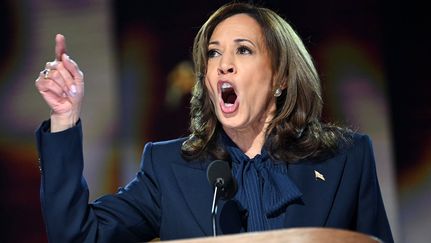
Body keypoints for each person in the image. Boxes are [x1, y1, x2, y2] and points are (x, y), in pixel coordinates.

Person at [34, 2, 394, 243]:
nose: (224, 63)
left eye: (243, 49)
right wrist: (65, 118)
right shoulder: (169, 169)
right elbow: (79, 236)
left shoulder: (345, 158)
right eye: (213, 52)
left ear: (281, 76)